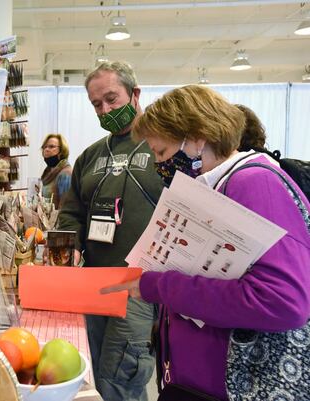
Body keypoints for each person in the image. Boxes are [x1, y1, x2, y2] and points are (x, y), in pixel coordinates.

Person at [101, 85, 310, 400]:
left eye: (161, 152)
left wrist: (159, 286)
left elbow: (282, 301)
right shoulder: (222, 185)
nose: (160, 165)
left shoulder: (254, 183)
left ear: (198, 138)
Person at [57, 61, 164, 400]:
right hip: (93, 282)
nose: (105, 109)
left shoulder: (164, 149)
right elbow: (71, 212)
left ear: (135, 94)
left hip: (140, 286)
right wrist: (69, 244)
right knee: (96, 374)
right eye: (96, 104)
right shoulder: (90, 157)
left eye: (112, 99)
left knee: (122, 380)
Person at [40, 133, 72, 209]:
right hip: (47, 219)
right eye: (45, 147)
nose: (46, 149)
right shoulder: (48, 174)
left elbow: (65, 208)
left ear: (62, 150)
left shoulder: (65, 174)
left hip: (58, 220)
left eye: (51, 147)